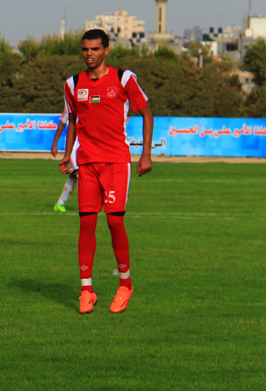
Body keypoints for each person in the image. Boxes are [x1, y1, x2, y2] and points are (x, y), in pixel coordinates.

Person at [59, 29, 154, 314]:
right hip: (87, 162)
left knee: (114, 222)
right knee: (86, 224)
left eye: (95, 49)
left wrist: (145, 155)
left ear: (106, 50)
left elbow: (147, 114)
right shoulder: (72, 83)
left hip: (116, 162)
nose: (89, 54)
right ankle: (86, 290)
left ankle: (125, 284)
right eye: (85, 49)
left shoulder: (124, 78)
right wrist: (67, 154)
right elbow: (73, 121)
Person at [50, 108, 78, 213]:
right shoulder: (71, 106)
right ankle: (89, 206)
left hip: (86, 145)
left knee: (73, 175)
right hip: (74, 147)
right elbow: (62, 124)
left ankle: (60, 203)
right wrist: (54, 144)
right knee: (80, 174)